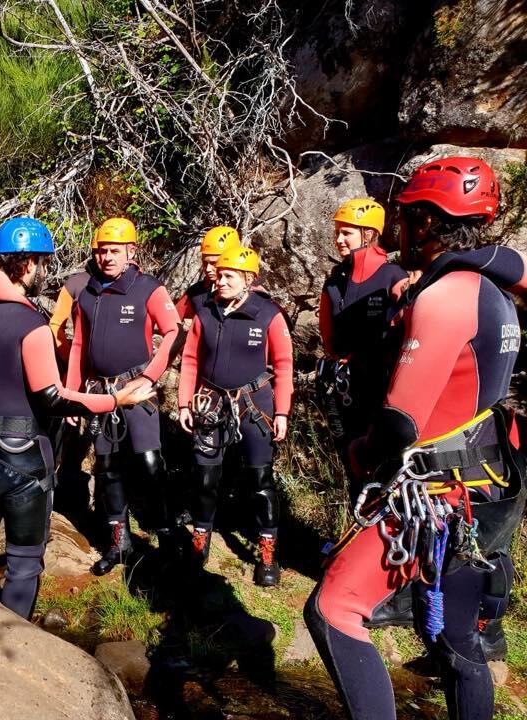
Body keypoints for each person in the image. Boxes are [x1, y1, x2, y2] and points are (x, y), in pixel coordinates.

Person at [305, 156, 527, 720]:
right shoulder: (493, 288)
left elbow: (401, 423)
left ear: (428, 222)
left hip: (437, 497)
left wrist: (360, 453)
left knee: (334, 609)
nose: (397, 228)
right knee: (457, 645)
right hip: (482, 488)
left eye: (405, 217)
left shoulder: (444, 297)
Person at [0, 216, 155, 618]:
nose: (44, 271)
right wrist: (116, 400)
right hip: (20, 454)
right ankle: (15, 649)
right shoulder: (30, 323)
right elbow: (51, 397)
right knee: (25, 562)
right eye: (42, 262)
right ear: (26, 266)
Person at [65, 217, 182, 575]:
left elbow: (174, 332)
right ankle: (119, 544)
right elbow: (79, 344)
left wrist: (148, 377)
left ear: (131, 251)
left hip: (138, 388)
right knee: (108, 469)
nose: (107, 257)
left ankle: (168, 541)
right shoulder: (87, 292)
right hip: (102, 391)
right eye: (101, 251)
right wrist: (72, 394)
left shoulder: (148, 288)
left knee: (149, 465)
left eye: (114, 250)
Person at [178, 246, 293, 585]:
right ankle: (200, 543)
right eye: (219, 274)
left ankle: (267, 553)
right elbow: (190, 361)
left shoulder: (268, 314)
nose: (219, 280)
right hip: (211, 403)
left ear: (248, 279)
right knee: (205, 478)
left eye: (228, 276)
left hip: (255, 406)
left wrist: (282, 412)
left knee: (260, 481)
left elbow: (284, 366)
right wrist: (185, 403)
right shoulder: (206, 313)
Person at [317, 199, 407, 488]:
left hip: (382, 387)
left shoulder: (393, 276)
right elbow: (328, 337)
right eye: (338, 232)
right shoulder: (334, 281)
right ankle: (358, 528)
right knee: (352, 464)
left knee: (387, 466)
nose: (339, 239)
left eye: (347, 233)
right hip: (347, 388)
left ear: (368, 234)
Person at [174, 225, 242, 321]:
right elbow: (173, 320)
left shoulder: (254, 298)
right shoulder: (196, 293)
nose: (208, 269)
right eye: (205, 263)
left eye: (214, 263)